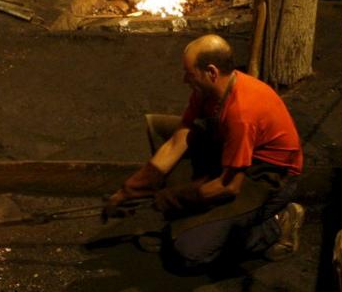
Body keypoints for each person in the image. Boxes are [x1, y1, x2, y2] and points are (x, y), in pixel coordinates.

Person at [106, 34, 304, 270]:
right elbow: (177, 141)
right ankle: (189, 223)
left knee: (189, 253)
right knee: (161, 129)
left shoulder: (242, 114)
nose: (184, 80)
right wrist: (130, 190)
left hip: (267, 176)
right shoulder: (208, 92)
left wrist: (175, 198)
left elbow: (228, 187)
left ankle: (277, 224)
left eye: (189, 73)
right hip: (234, 156)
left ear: (211, 72)